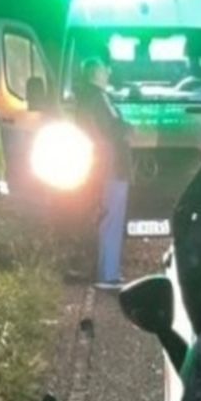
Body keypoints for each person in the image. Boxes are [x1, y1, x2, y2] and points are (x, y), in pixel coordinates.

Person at [74, 57, 133, 290]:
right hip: (111, 165)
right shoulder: (99, 98)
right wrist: (130, 128)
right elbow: (115, 127)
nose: (109, 72)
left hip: (99, 165)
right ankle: (107, 275)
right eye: (104, 69)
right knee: (111, 219)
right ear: (95, 73)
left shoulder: (85, 98)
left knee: (103, 217)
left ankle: (102, 270)